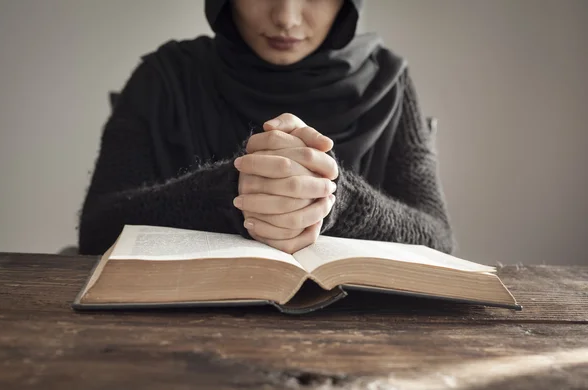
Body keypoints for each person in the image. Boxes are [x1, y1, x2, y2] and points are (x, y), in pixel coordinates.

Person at [78, 0, 454, 256]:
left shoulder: (387, 83)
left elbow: (438, 238)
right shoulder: (165, 76)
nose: (287, 17)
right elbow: (97, 230)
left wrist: (331, 196)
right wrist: (231, 191)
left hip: (359, 333)